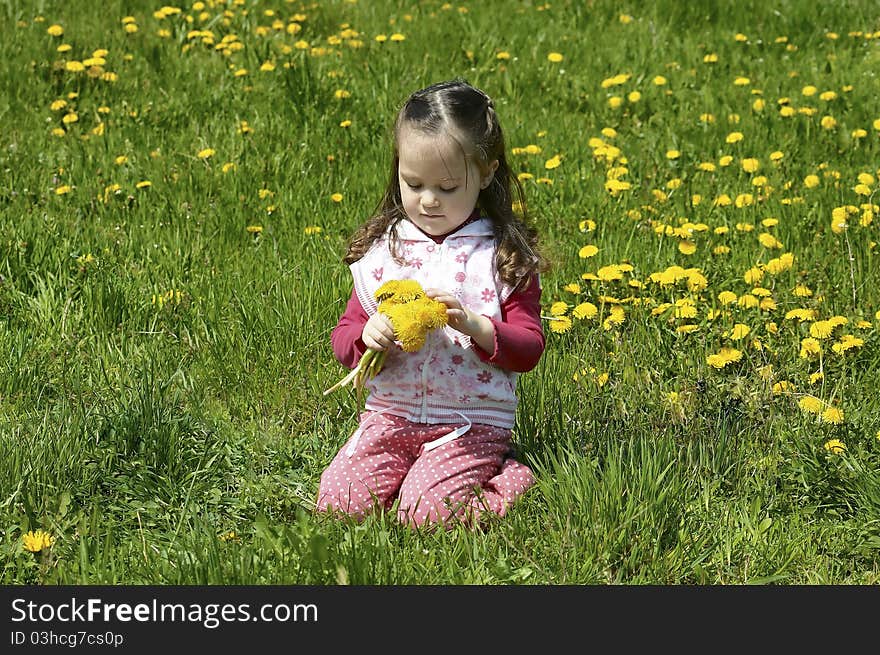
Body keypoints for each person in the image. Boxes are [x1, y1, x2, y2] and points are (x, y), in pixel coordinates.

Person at [317, 79, 549, 529]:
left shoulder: (503, 258)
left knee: (427, 517)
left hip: (470, 423)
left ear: (485, 174)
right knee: (339, 505)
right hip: (392, 416)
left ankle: (513, 476)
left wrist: (479, 327)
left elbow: (530, 347)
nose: (427, 200)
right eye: (414, 182)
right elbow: (344, 335)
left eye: (446, 187)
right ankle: (408, 479)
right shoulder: (385, 252)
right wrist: (366, 338)